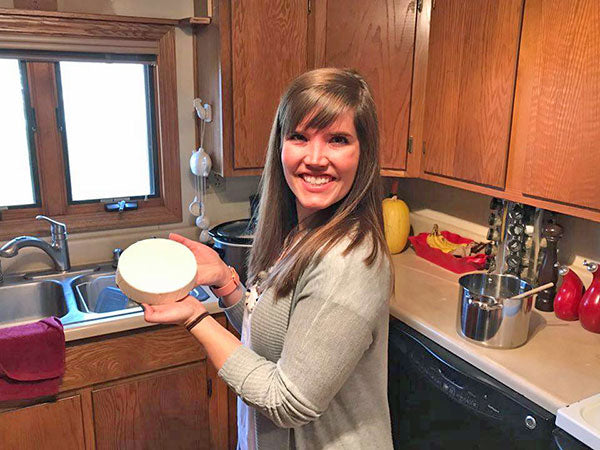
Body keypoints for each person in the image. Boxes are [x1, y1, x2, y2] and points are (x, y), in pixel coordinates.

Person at [143, 68, 394, 449]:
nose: (314, 158)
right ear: (281, 146)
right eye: (299, 137)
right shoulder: (304, 231)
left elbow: (287, 402)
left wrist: (197, 319)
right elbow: (278, 344)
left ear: (364, 153)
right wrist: (226, 285)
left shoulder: (348, 260)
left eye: (337, 140)